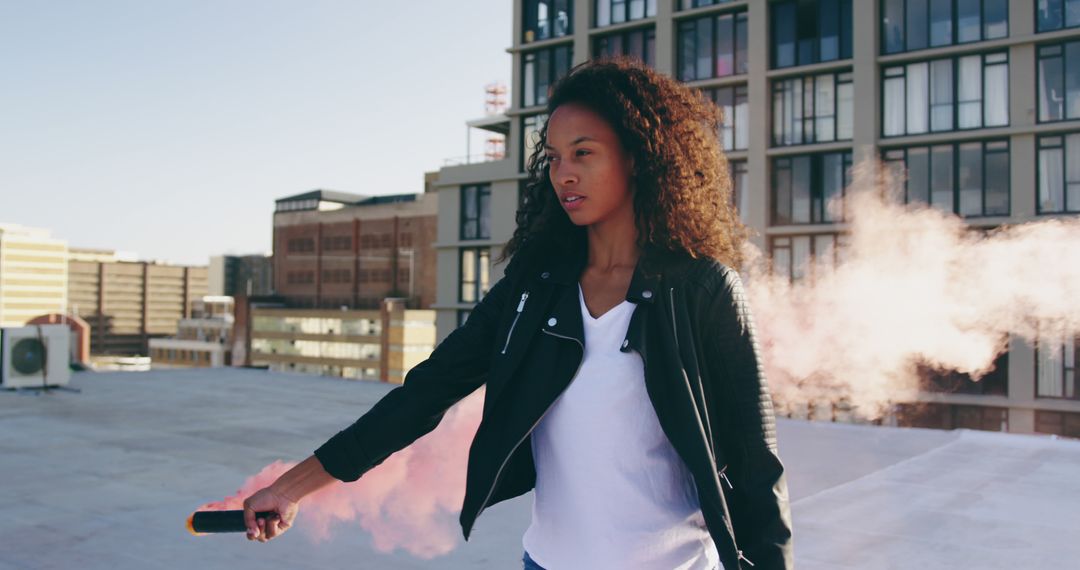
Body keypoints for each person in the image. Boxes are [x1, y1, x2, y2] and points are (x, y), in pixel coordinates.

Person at [240, 57, 793, 570]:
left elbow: (754, 465)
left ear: (636, 155)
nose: (563, 174)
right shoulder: (536, 289)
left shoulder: (701, 289)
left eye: (583, 152)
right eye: (553, 158)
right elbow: (423, 395)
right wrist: (290, 488)